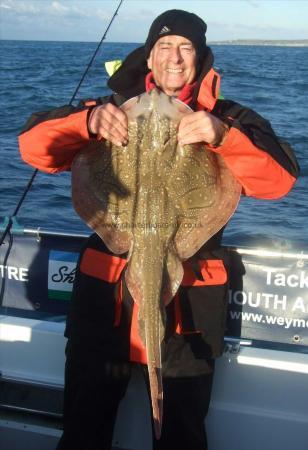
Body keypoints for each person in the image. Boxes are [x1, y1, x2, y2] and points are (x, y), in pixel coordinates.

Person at [18, 9, 299, 450]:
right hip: (104, 306)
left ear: (200, 58)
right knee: (84, 429)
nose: (174, 56)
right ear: (148, 58)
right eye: (164, 46)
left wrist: (223, 136)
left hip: (189, 310)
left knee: (181, 435)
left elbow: (280, 181)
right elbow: (34, 148)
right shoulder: (108, 111)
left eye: (186, 47)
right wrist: (86, 124)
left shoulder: (230, 119)